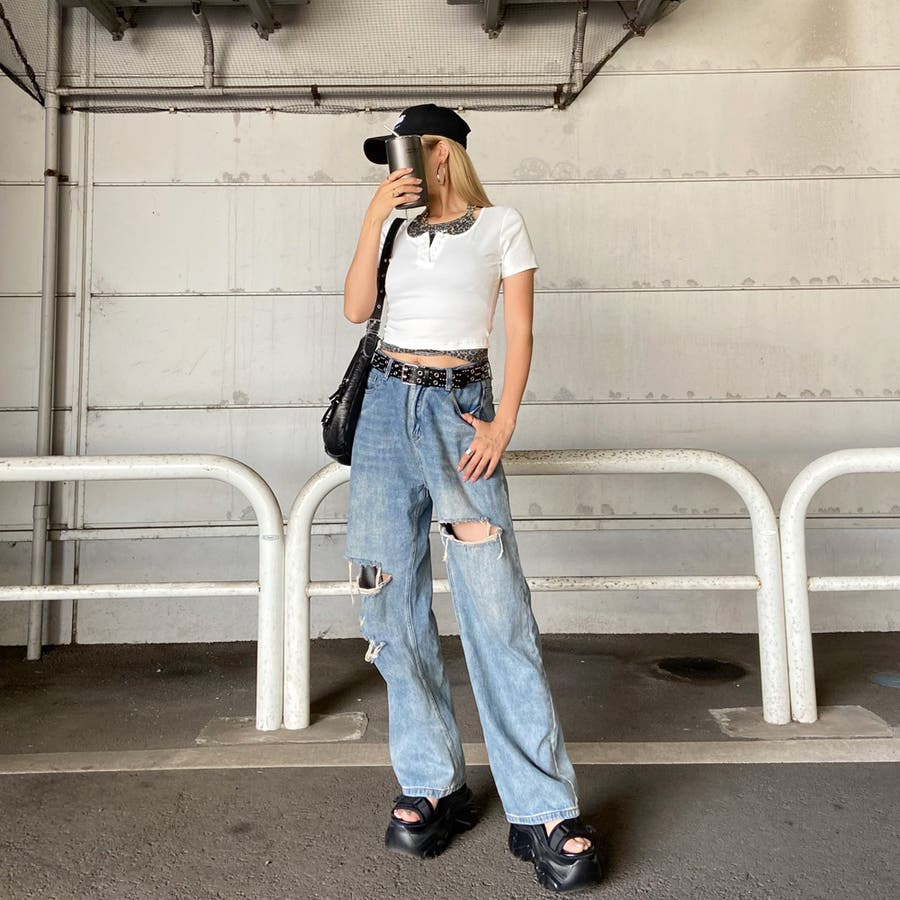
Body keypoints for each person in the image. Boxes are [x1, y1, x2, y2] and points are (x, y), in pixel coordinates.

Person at [342, 103, 601, 893]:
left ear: (440, 153)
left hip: (460, 410)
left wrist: (504, 421)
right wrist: (371, 221)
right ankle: (432, 783)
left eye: (406, 152)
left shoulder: (501, 225)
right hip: (384, 411)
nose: (396, 169)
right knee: (389, 604)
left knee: (496, 608)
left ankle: (543, 808)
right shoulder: (393, 229)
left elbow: (520, 331)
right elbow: (356, 310)